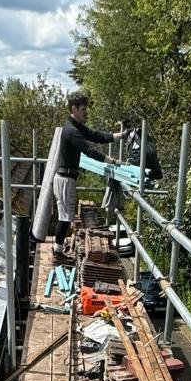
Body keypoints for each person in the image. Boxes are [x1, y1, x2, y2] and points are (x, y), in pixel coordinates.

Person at [53, 91, 121, 258]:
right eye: (83, 109)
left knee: (65, 216)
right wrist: (111, 160)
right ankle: (58, 251)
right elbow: (89, 150)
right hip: (65, 178)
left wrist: (117, 136)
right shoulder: (71, 131)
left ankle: (58, 249)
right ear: (74, 109)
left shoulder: (75, 125)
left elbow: (95, 136)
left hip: (66, 177)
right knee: (65, 217)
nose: (86, 112)